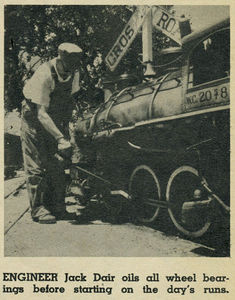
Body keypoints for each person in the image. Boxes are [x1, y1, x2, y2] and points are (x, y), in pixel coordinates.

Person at [21, 43, 83, 224]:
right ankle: (39, 209)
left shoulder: (74, 73)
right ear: (60, 59)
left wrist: (68, 132)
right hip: (33, 118)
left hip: (54, 118)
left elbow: (69, 102)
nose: (73, 67)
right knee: (36, 164)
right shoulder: (45, 74)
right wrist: (60, 138)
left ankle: (58, 208)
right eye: (70, 63)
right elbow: (41, 113)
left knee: (57, 162)